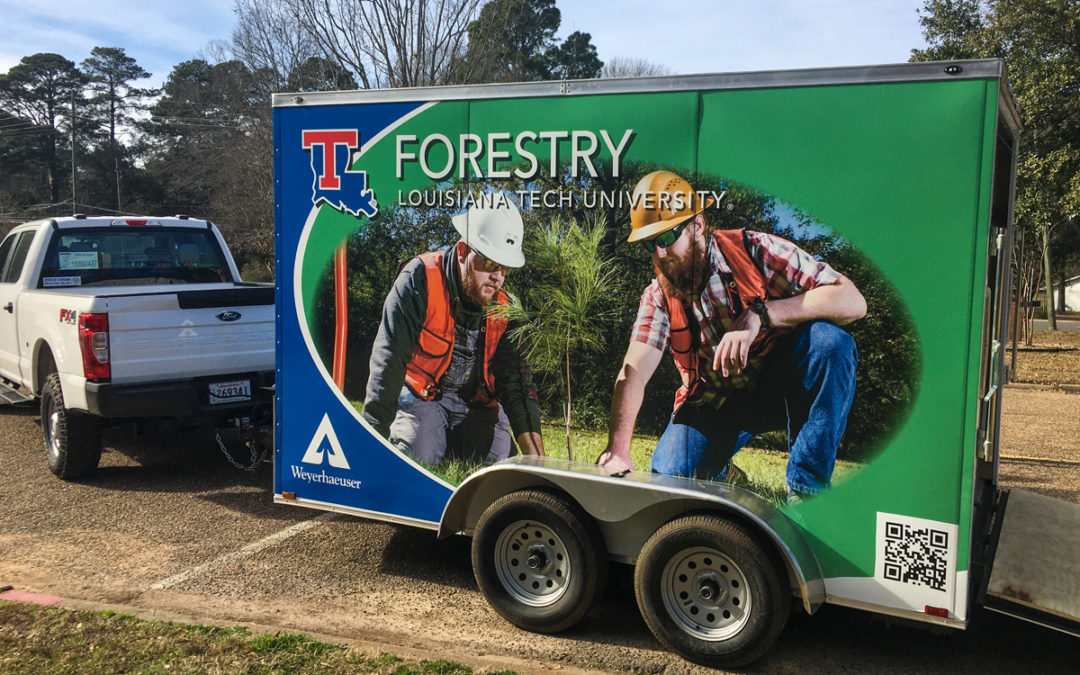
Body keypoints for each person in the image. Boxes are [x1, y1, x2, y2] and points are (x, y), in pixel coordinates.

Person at [596, 171, 866, 498]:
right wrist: (618, 449)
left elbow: (852, 301)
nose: (660, 254)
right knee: (669, 477)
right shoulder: (657, 296)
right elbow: (634, 371)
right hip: (713, 401)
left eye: (666, 238)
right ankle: (721, 468)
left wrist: (761, 314)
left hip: (777, 386)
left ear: (696, 225)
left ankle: (806, 491)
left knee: (829, 342)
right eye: (649, 244)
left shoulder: (755, 250)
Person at [363, 200, 545, 465]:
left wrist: (536, 460)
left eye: (505, 268)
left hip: (475, 404)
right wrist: (371, 436)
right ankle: (425, 438)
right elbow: (389, 357)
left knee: (499, 462)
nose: (498, 277)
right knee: (420, 456)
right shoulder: (420, 277)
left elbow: (515, 382)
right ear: (462, 252)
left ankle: (453, 442)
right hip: (423, 397)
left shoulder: (505, 308)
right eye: (491, 263)